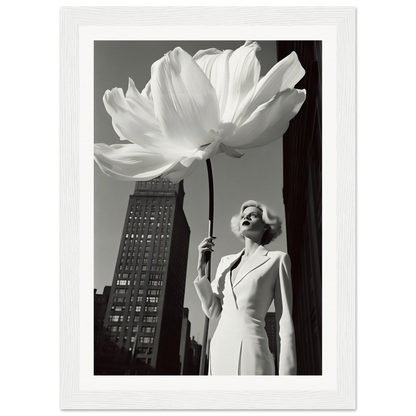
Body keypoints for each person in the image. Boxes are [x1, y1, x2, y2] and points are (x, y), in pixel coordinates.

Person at [194, 200, 296, 375]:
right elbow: (213, 312)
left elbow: (284, 322)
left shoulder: (277, 259)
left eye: (253, 215)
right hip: (219, 350)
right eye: (243, 216)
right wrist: (201, 271)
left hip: (252, 350)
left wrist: (287, 378)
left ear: (266, 225)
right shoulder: (225, 262)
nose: (246, 217)